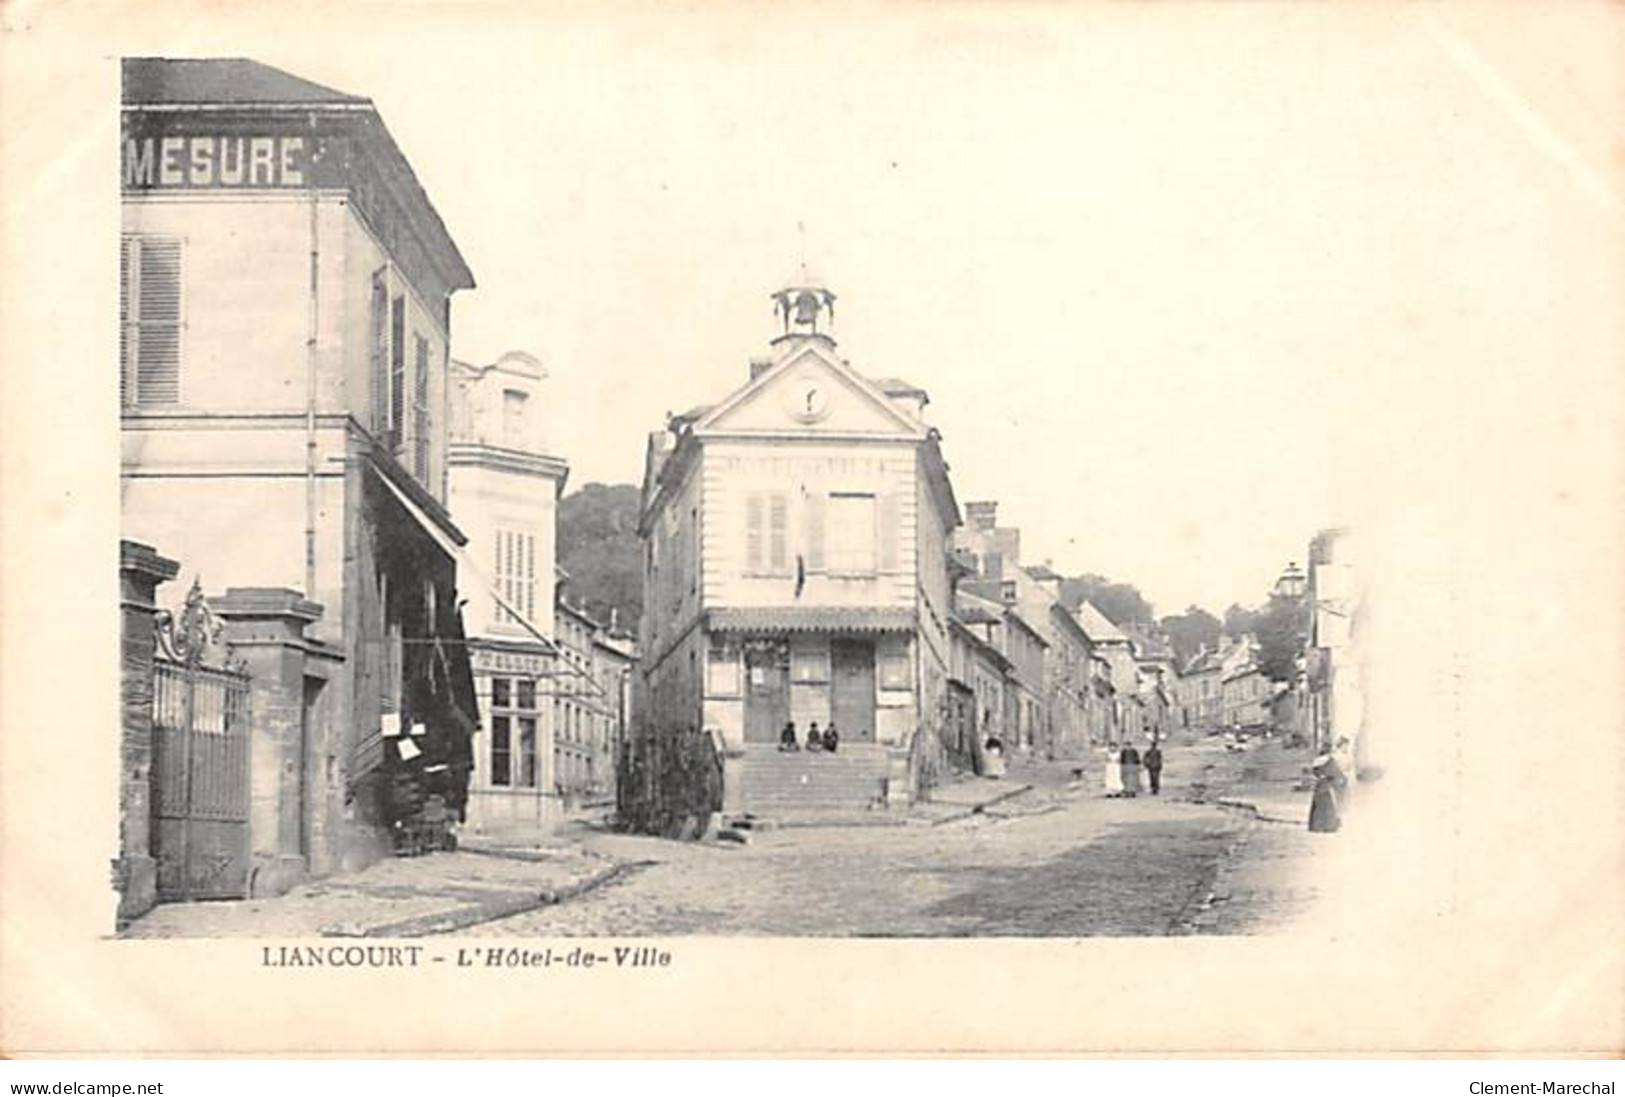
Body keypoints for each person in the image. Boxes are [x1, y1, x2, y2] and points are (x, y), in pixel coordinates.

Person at [1308, 750, 1347, 833]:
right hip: (1325, 787)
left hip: (1321, 787)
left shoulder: (1319, 762)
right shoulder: (1329, 761)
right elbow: (1335, 774)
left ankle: (1318, 825)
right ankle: (1328, 825)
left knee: (1320, 806)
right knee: (1327, 805)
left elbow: (1315, 773)